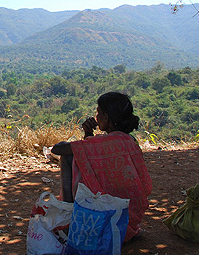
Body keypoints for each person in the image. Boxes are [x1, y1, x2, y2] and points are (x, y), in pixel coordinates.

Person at [52, 92, 152, 242]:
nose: (96, 117)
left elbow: (57, 149)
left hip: (103, 221)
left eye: (98, 112)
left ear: (107, 117)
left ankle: (68, 218)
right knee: (80, 155)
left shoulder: (102, 143)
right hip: (129, 220)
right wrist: (88, 134)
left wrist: (86, 137)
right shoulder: (129, 141)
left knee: (68, 157)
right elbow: (95, 157)